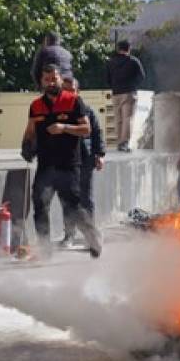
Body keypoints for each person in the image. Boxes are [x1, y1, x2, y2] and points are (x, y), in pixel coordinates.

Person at [21, 65, 102, 259]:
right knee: (40, 206)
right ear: (41, 82)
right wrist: (26, 146)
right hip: (45, 166)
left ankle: (93, 240)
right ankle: (45, 250)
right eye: (47, 79)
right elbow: (30, 130)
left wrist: (64, 127)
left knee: (73, 208)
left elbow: (87, 129)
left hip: (69, 166)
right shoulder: (36, 105)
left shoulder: (74, 101)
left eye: (54, 78)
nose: (51, 82)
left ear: (60, 79)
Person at [60, 76, 105, 246]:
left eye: (71, 90)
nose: (68, 93)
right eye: (65, 90)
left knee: (86, 199)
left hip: (85, 160)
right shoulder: (58, 113)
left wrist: (99, 154)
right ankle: (69, 235)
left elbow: (97, 134)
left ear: (78, 92)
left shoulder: (87, 111)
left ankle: (90, 236)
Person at [105, 40, 145, 152]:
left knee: (118, 119)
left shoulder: (110, 62)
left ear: (118, 49)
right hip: (129, 93)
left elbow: (107, 79)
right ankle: (124, 142)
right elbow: (142, 76)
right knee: (128, 118)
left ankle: (119, 142)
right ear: (129, 49)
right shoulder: (133, 61)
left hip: (115, 93)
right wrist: (133, 85)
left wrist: (114, 86)